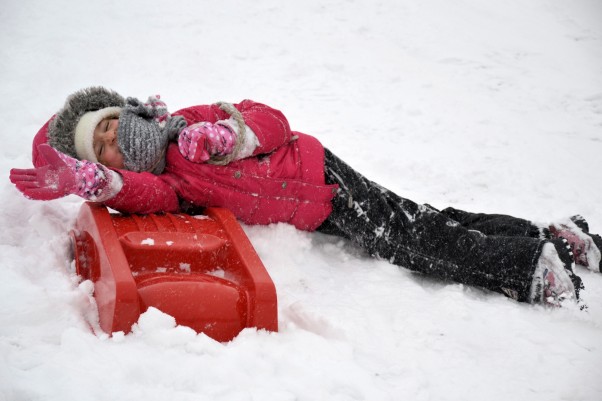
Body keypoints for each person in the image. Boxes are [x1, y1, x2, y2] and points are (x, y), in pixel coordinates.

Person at [9, 87, 602, 308]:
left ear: (119, 110)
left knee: (406, 237)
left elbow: (272, 118)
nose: (114, 143)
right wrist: (100, 187)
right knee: (423, 220)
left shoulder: (188, 121)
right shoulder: (167, 181)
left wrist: (231, 134)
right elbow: (145, 196)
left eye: (108, 126)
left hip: (320, 174)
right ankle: (549, 238)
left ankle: (529, 269)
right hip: (313, 208)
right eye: (103, 152)